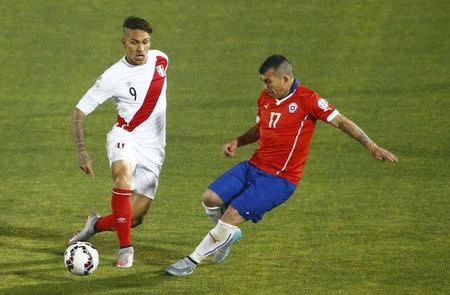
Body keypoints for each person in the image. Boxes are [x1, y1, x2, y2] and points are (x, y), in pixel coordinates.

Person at [165, 54, 398, 276]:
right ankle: (224, 237)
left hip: (279, 180)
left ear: (285, 79)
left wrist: (371, 146)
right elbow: (261, 128)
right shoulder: (265, 98)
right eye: (264, 82)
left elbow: (342, 122)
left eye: (269, 81)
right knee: (210, 198)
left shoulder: (308, 100)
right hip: (253, 166)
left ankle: (192, 260)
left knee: (231, 216)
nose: (266, 86)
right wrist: (239, 141)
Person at [69, 16, 169, 268]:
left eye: (145, 42)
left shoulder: (161, 60)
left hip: (154, 149)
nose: (141, 49)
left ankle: (96, 225)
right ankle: (126, 250)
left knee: (133, 218)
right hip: (125, 135)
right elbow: (80, 110)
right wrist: (82, 151)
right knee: (122, 177)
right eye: (134, 42)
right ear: (123, 43)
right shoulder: (113, 76)